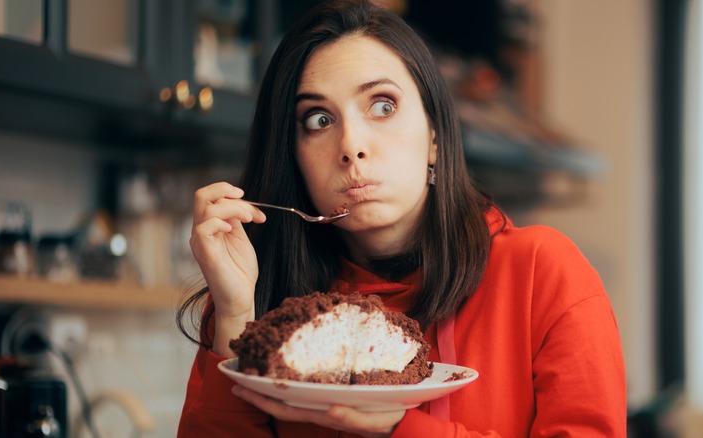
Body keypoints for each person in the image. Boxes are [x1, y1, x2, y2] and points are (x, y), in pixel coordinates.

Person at [176, 0, 626, 436]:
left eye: (383, 106)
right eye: (318, 119)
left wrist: (400, 428)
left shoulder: (542, 274)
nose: (351, 145)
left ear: (434, 136)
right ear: (293, 156)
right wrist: (235, 315)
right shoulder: (263, 296)